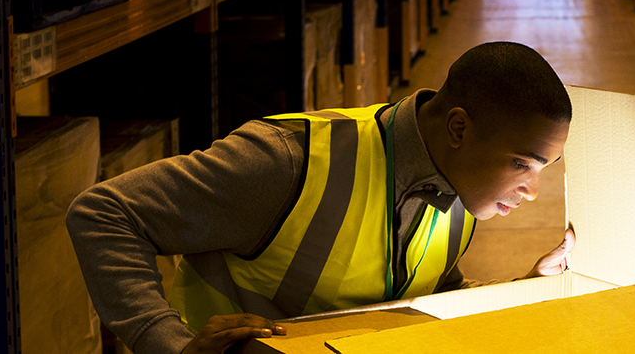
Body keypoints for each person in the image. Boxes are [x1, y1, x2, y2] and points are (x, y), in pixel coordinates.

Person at [67, 41, 576, 354]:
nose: (532, 190)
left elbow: (415, 298)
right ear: (459, 128)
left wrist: (525, 290)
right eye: (522, 164)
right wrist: (168, 344)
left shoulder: (460, 189)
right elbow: (104, 213)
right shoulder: (289, 162)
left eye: (542, 168)